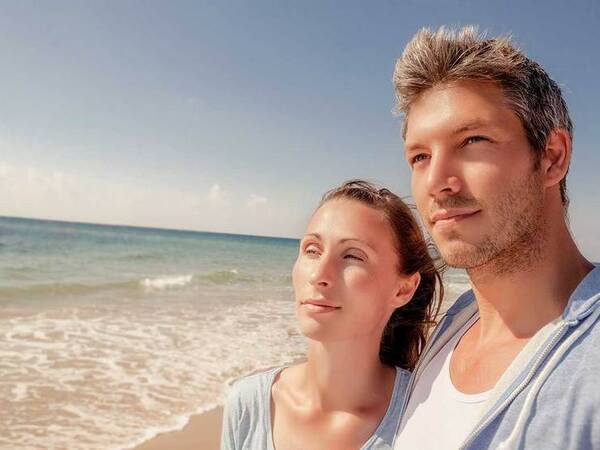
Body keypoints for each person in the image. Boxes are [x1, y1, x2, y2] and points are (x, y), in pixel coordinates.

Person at [392, 26, 600, 449]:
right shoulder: (454, 325)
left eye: (472, 141)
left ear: (552, 158)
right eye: (420, 156)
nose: (436, 182)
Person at [221, 180, 442, 449]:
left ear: (403, 289)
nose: (318, 275)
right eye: (312, 250)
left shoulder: (425, 415)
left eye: (352, 256)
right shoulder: (248, 405)